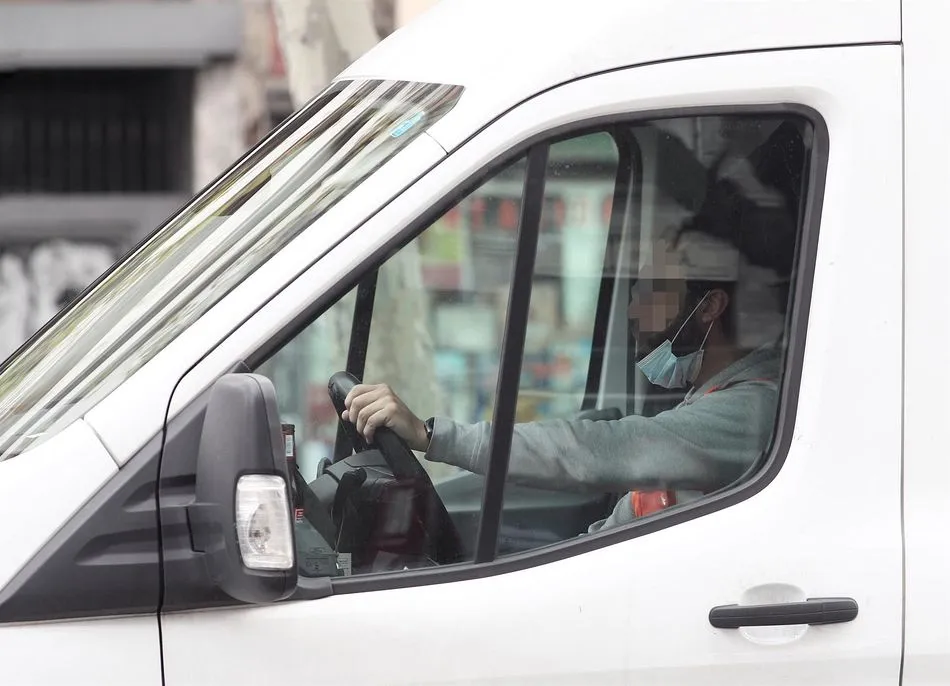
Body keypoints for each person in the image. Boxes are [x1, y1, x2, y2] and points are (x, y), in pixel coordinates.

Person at [342, 192, 786, 533]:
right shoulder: (712, 395)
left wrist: (430, 435)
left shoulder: (751, 412)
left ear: (709, 307)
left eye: (654, 293)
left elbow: (601, 448)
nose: (634, 310)